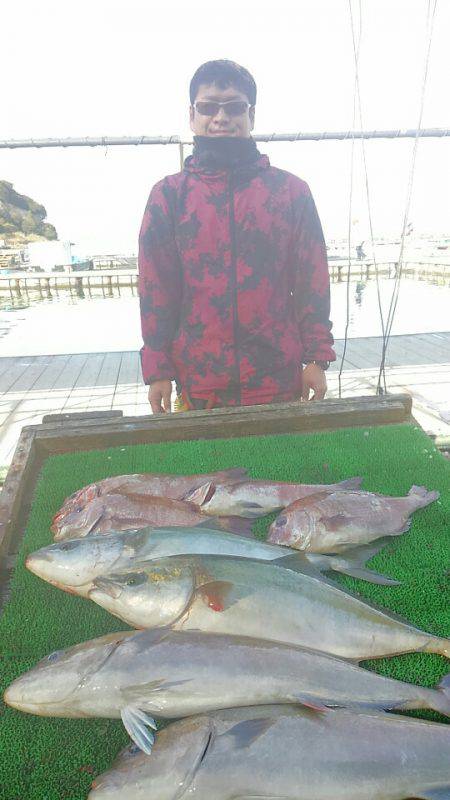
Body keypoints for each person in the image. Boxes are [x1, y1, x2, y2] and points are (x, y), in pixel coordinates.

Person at [138, 59, 335, 414]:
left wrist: (316, 358)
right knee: (205, 471)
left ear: (252, 115)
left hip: (278, 380)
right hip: (199, 385)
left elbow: (312, 282)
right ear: (192, 115)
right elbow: (156, 291)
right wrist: (157, 369)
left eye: (234, 107)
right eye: (208, 107)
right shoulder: (168, 196)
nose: (221, 117)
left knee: (280, 468)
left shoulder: (291, 192)